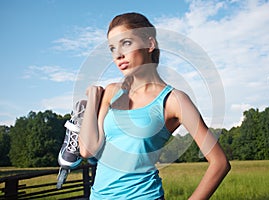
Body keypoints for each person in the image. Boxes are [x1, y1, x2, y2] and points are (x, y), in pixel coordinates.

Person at [78, 12, 231, 200]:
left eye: (126, 43)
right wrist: (94, 97)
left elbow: (220, 162)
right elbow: (88, 150)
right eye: (112, 48)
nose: (118, 55)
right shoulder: (111, 92)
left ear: (149, 44)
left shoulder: (174, 100)